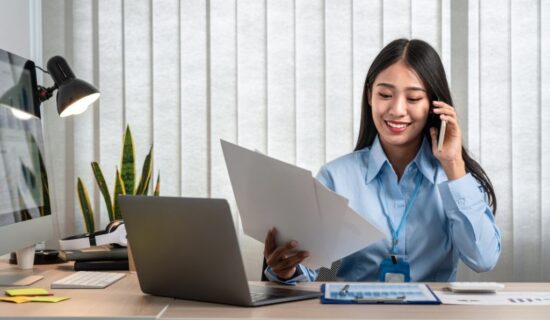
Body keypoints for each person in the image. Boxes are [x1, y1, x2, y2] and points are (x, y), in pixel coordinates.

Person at [263, 38, 501, 283]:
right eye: (385, 94)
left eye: (413, 98)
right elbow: (306, 270)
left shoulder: (455, 178)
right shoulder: (336, 177)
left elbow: (483, 260)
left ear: (433, 105)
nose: (397, 109)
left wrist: (453, 164)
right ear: (370, 96)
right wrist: (287, 271)